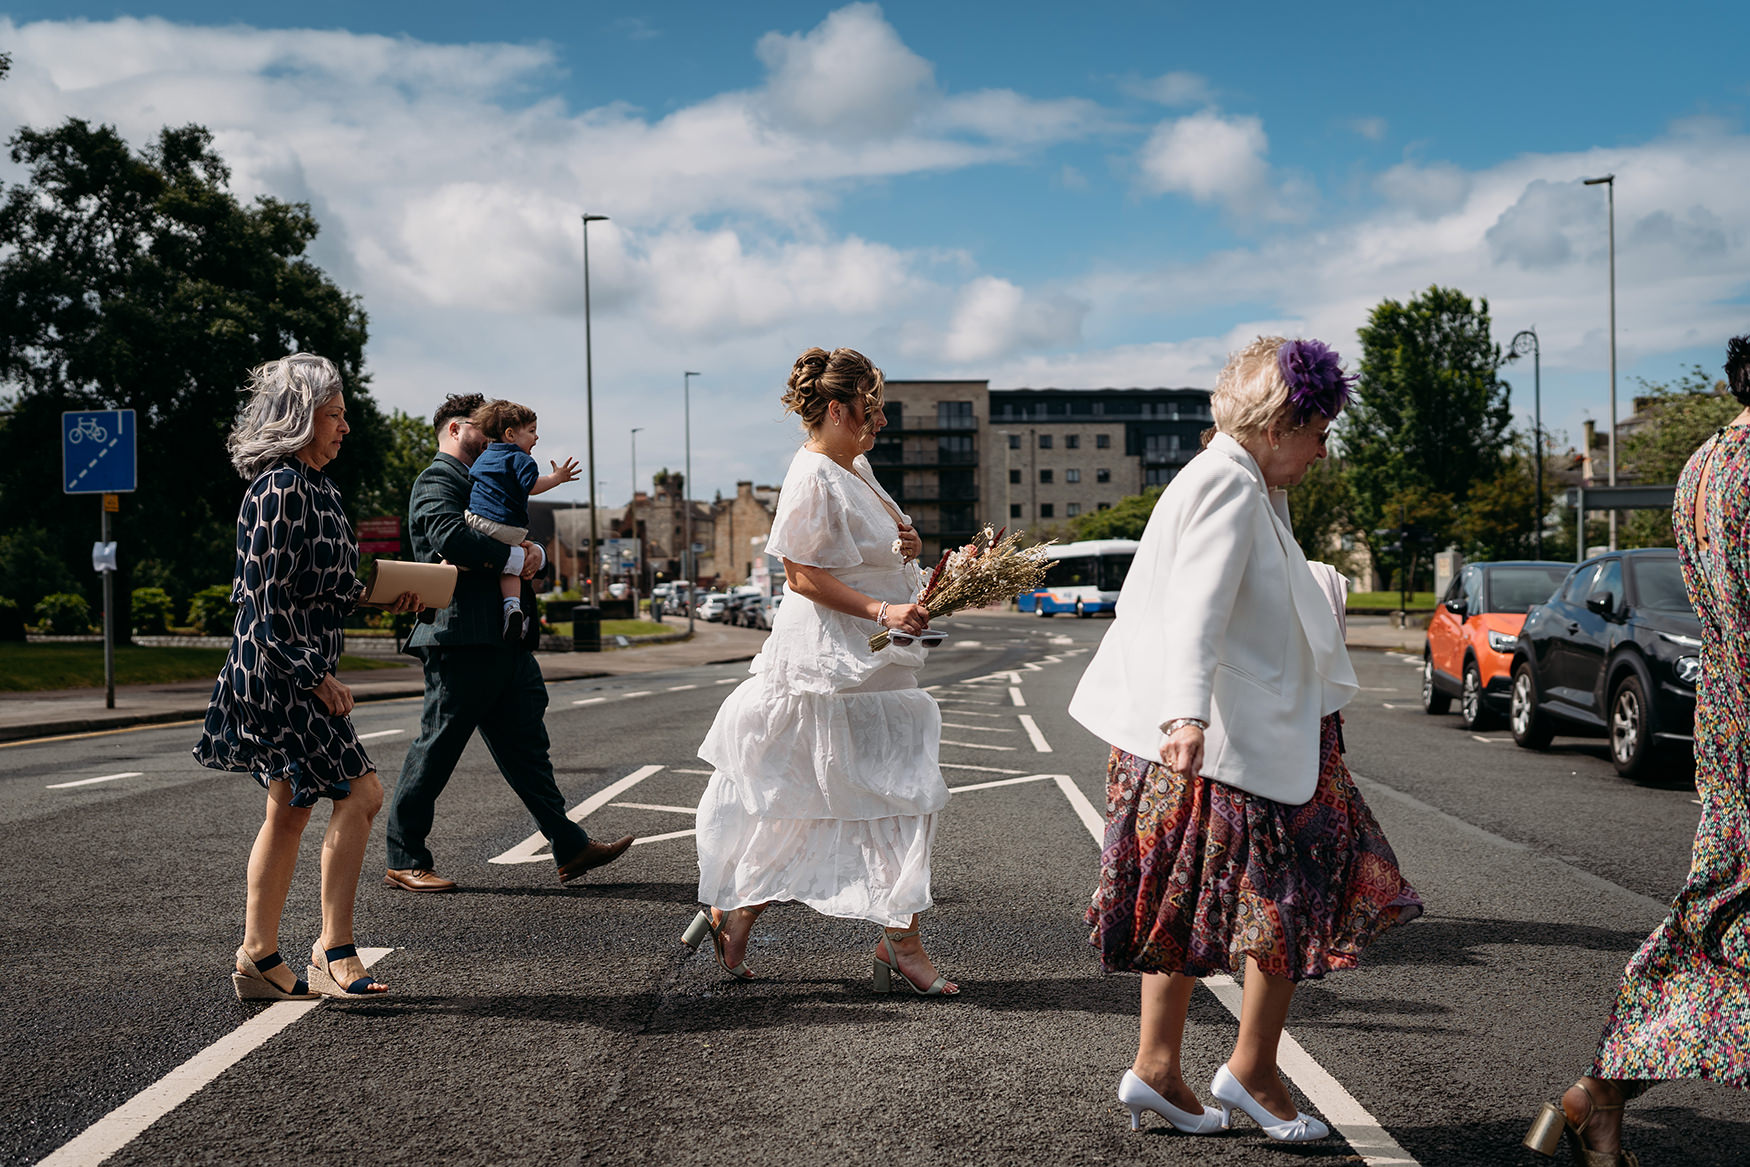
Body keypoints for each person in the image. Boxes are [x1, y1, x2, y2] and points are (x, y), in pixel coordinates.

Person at [1067, 336, 1422, 1139]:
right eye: (1319, 432)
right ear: (1277, 424)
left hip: (1212, 737)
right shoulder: (1231, 484)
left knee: (1184, 900)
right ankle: (1254, 1072)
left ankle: (1158, 1067)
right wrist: (1185, 715)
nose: (1324, 452)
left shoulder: (1235, 477)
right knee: (1285, 901)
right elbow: (1197, 604)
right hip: (1231, 741)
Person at [1524, 333, 1750, 1167]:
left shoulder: (1702, 467)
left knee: (1724, 927)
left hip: (1731, 730)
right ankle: (1600, 1092)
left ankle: (1599, 1097)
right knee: (1722, 928)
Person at [683, 346, 957, 996]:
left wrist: (908, 547)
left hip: (871, 662)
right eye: (873, 408)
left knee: (836, 793)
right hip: (829, 665)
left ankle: (743, 911)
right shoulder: (811, 475)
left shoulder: (855, 466)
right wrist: (884, 606)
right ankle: (901, 942)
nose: (881, 421)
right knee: (883, 790)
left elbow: (874, 544)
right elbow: (800, 574)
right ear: (837, 408)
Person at [194, 353, 423, 1000]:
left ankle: (259, 958)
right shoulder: (278, 489)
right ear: (301, 418)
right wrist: (316, 678)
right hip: (277, 673)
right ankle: (334, 951)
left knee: (292, 805)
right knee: (363, 792)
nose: (345, 426)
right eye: (335, 414)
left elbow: (319, 587)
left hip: (290, 668)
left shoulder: (319, 489)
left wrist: (388, 595)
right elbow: (260, 603)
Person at [382, 394, 631, 893]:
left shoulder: (490, 474)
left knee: (527, 748)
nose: (494, 432)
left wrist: (535, 549)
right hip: (462, 638)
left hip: (505, 639)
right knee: (438, 746)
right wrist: (520, 559)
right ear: (456, 429)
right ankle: (405, 856)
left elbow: (516, 534)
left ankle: (569, 846)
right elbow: (450, 538)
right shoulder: (439, 479)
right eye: (482, 425)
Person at [462, 399, 580, 643]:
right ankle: (512, 607)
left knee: (454, 557)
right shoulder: (521, 459)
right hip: (512, 530)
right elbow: (533, 487)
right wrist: (557, 478)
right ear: (510, 434)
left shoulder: (483, 457)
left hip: (479, 521)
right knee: (511, 568)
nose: (537, 437)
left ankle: (433, 592)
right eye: (532, 431)